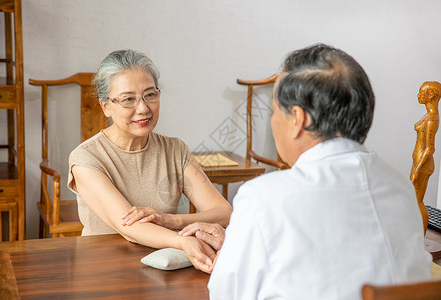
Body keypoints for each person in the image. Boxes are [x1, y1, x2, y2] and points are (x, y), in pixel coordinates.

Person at [179, 44, 432, 299]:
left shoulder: (263, 198)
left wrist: (234, 253)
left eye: (275, 111)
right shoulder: (400, 187)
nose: (272, 122)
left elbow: (227, 294)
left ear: (298, 119)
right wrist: (240, 245)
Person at [68, 50, 232, 267]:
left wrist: (172, 220)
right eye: (128, 100)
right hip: (103, 268)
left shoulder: (175, 150)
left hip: (165, 265)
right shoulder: (87, 157)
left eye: (150, 95)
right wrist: (182, 240)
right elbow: (130, 227)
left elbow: (224, 212)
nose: (143, 108)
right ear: (106, 106)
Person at [410, 81, 441, 233]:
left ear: (430, 95)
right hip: (419, 162)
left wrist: (417, 169)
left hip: (423, 164)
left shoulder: (432, 118)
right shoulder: (429, 115)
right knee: (414, 200)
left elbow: (430, 148)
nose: (418, 95)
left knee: (417, 201)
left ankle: (420, 237)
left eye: (421, 92)